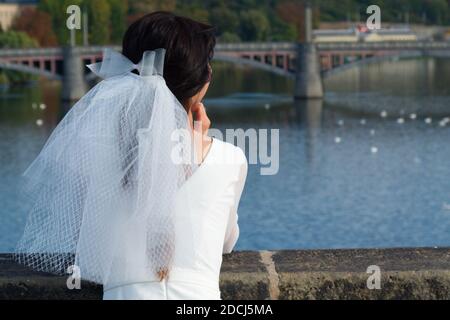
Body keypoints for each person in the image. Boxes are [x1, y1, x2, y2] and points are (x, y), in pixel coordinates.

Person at [14, 12, 247, 300]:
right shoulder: (230, 159)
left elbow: (90, 247)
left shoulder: (95, 157)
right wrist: (197, 140)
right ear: (201, 82)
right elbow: (225, 241)